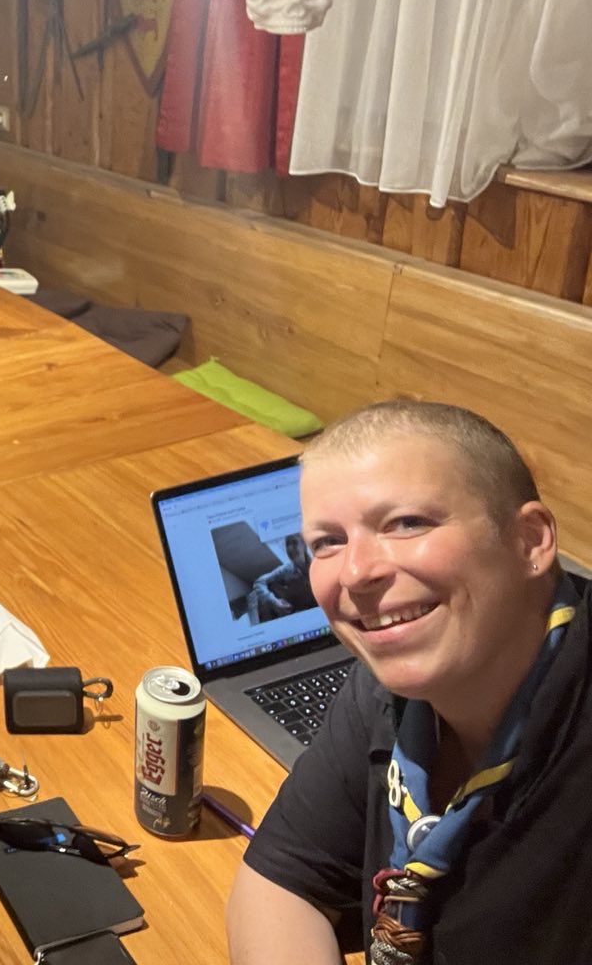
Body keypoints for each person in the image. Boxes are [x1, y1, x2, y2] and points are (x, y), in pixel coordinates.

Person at [227, 399, 590, 964]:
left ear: (530, 540)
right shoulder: (390, 684)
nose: (356, 573)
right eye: (327, 542)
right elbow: (282, 880)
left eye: (406, 523)